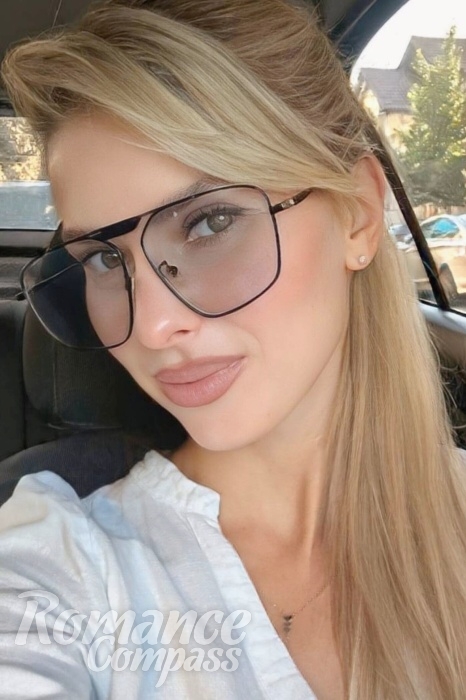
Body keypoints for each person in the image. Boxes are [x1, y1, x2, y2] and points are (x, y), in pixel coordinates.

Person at [1, 0, 466, 697]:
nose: (153, 326)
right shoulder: (60, 566)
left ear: (359, 216)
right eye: (103, 258)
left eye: (210, 223)